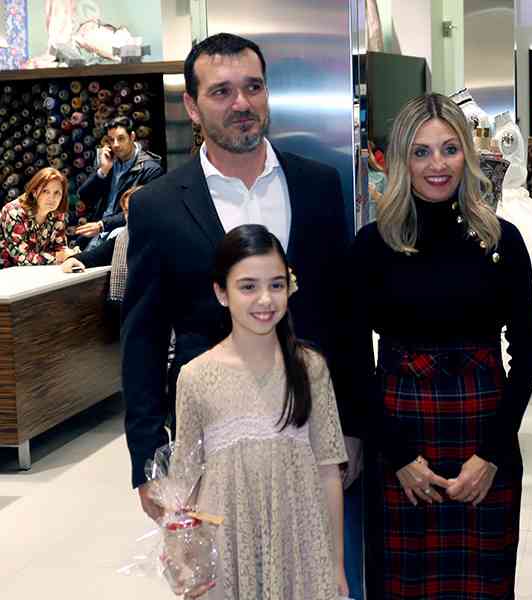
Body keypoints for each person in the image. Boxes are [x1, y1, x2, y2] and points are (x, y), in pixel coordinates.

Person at [120, 33, 362, 593]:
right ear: (192, 105)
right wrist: (146, 461)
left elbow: (342, 315)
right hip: (216, 450)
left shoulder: (318, 185)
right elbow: (143, 337)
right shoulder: (159, 206)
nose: (241, 103)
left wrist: (352, 427)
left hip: (307, 433)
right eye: (222, 91)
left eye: (253, 87)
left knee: (315, 574)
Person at [352, 93, 532, 599]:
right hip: (401, 445)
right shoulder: (372, 246)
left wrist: (491, 455)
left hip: (485, 442)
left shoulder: (503, 242)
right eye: (421, 152)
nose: (437, 165)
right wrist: (399, 457)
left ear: (467, 155)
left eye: (450, 149)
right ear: (401, 160)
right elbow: (353, 362)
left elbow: (527, 357)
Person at [169, 224, 348, 599]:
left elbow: (328, 471)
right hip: (227, 545)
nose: (265, 299)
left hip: (299, 542)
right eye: (248, 286)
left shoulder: (310, 368)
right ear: (221, 292)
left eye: (276, 285)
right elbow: (185, 482)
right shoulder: (195, 376)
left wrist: (335, 564)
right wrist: (185, 558)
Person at [73, 115, 163, 250]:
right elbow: (84, 197)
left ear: (132, 137)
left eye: (121, 138)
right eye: (111, 140)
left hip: (124, 234)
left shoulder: (150, 170)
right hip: (97, 232)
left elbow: (139, 210)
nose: (115, 144)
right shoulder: (110, 163)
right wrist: (103, 171)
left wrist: (102, 225)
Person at [62, 186, 141, 307]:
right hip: (125, 306)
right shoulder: (123, 237)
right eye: (126, 211)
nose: (129, 216)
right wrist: (73, 259)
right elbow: (97, 255)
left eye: (135, 209)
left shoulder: (164, 237)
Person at [0, 167, 73, 268]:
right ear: (34, 192)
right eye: (45, 191)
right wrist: (57, 257)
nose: (51, 198)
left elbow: (60, 246)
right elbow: (22, 258)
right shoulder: (14, 212)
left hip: (37, 271)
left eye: (57, 193)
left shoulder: (57, 214)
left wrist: (69, 254)